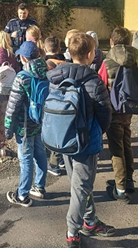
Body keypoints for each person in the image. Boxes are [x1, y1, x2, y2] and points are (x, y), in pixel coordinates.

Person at [45, 33, 113, 247]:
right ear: (91, 54)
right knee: (81, 187)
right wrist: (96, 133)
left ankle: (90, 221)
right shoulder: (93, 82)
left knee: (80, 185)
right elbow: (105, 115)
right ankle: (72, 231)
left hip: (64, 139)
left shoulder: (56, 77)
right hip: (85, 143)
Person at [4, 41, 49, 206]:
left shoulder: (22, 77)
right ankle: (39, 187)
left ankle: (22, 195)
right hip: (40, 122)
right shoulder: (46, 72)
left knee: (26, 159)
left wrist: (8, 129)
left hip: (24, 126)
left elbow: (12, 106)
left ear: (23, 58)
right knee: (40, 154)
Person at [103, 27, 138, 203]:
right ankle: (129, 179)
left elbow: (101, 86)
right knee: (127, 143)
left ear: (112, 41)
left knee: (116, 149)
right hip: (129, 108)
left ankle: (120, 188)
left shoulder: (107, 61)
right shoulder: (135, 60)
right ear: (130, 42)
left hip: (113, 110)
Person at [43, 36, 66, 176]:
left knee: (52, 133)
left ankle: (54, 164)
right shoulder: (66, 62)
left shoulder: (44, 64)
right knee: (61, 131)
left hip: (49, 102)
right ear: (59, 48)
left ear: (45, 49)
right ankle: (61, 159)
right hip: (64, 101)